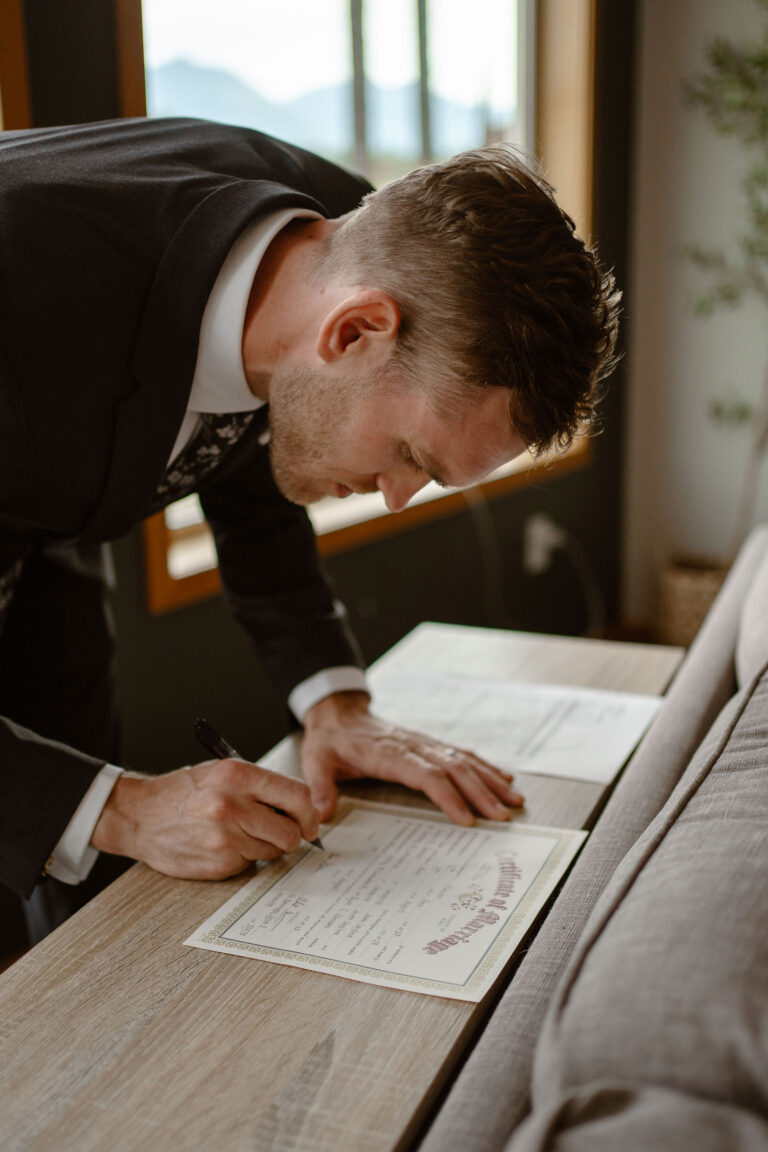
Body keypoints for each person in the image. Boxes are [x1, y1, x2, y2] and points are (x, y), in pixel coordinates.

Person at [0, 117, 620, 933]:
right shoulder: (25, 290)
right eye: (410, 454)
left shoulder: (346, 246)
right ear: (356, 330)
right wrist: (121, 810)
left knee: (71, 900)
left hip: (50, 548)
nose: (396, 497)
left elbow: (266, 456)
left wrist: (336, 704)